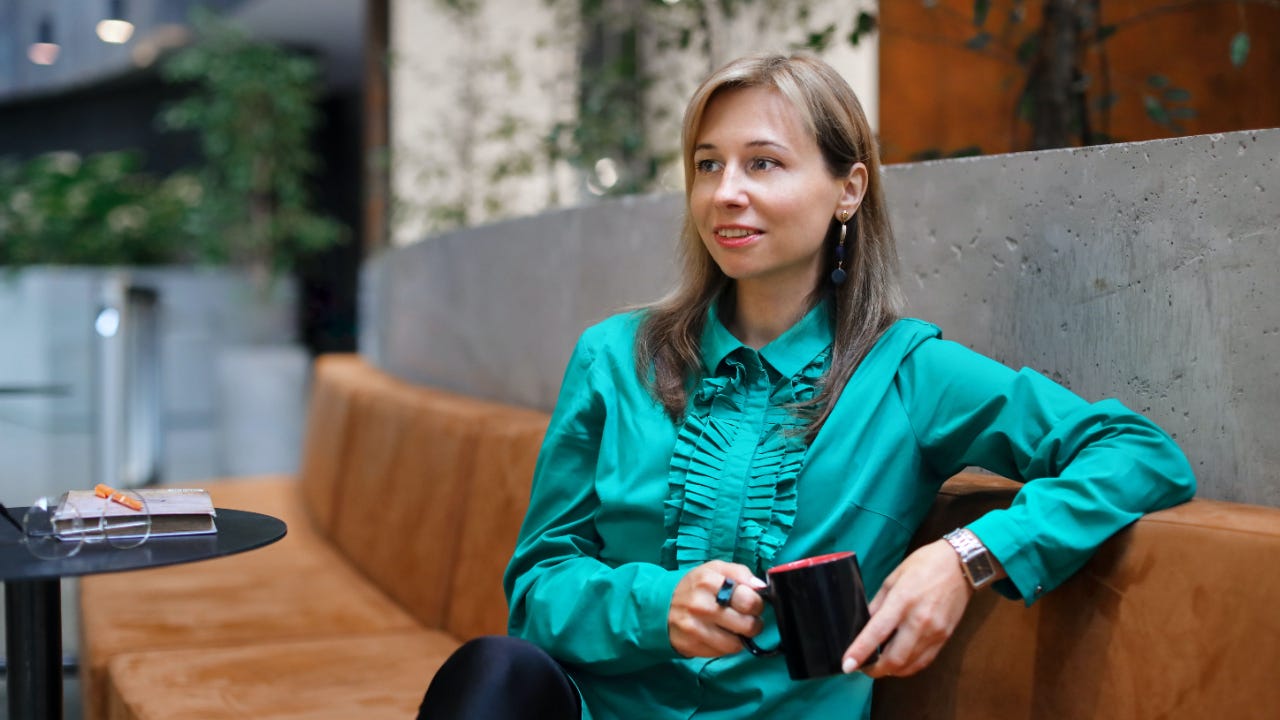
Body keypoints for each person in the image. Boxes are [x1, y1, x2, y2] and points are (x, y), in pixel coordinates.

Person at [417, 52, 1195, 719]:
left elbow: (1139, 452)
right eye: (708, 164)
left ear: (848, 189)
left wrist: (965, 555)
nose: (726, 192)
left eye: (763, 163)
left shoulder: (911, 375)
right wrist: (657, 609)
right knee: (492, 674)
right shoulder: (614, 357)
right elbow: (538, 587)